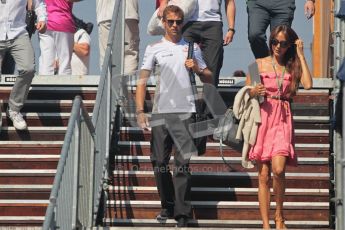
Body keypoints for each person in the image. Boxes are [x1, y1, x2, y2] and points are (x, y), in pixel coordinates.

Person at [136, 5, 212, 227]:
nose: (175, 25)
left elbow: (208, 77)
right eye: (171, 22)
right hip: (161, 113)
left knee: (182, 165)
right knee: (159, 162)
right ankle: (167, 204)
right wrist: (140, 110)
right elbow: (142, 80)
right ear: (164, 23)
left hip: (186, 112)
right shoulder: (154, 48)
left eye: (179, 21)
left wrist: (198, 68)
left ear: (183, 22)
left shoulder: (192, 47)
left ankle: (182, 214)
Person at [246, 25, 312, 229]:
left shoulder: (292, 65)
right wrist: (254, 91)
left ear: (289, 45)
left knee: (279, 169)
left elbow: (308, 84)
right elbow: (248, 93)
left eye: (283, 43)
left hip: (282, 117)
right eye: (274, 42)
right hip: (263, 117)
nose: (277, 47)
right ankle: (266, 224)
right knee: (263, 174)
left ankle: (279, 216)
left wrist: (300, 54)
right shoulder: (257, 64)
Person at [158, 0, 235, 87]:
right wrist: (163, 3)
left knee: (213, 67)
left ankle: (209, 98)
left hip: (213, 21)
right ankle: (181, 96)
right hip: (187, 20)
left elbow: (230, 2)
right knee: (181, 61)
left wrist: (231, 28)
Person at [0, 0, 47, 130]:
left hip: (18, 33)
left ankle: (14, 109)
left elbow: (39, 4)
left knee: (28, 68)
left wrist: (42, 19)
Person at [247, 0, 315, 59]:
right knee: (255, 35)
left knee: (280, 41)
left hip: (283, 4)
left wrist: (310, 0)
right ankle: (266, 63)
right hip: (258, 4)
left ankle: (280, 67)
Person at [96, 0, 139, 74]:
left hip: (106, 14)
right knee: (129, 53)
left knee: (107, 54)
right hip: (129, 11)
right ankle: (128, 83)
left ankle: (108, 82)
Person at [39, 0, 80, 76]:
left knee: (46, 63)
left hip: (46, 24)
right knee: (65, 64)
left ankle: (45, 86)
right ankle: (64, 87)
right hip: (63, 23)